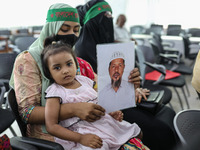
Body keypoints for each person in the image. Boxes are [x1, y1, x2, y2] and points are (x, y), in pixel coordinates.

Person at [9, 3, 141, 142]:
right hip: (52, 134)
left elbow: (99, 89)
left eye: (76, 29)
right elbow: (27, 113)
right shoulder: (28, 60)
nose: (71, 34)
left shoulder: (73, 61)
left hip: (88, 126)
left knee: (136, 135)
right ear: (50, 28)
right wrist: (73, 109)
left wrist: (126, 84)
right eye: (65, 29)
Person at [75, 1, 178, 150]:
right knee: (161, 131)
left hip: (123, 100)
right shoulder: (80, 53)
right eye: (105, 15)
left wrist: (135, 85)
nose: (108, 18)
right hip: (107, 110)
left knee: (168, 113)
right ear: (92, 21)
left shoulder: (110, 45)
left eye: (110, 14)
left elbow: (120, 80)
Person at [41, 36, 149, 150]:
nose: (65, 70)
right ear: (49, 73)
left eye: (69, 64)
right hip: (82, 132)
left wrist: (111, 112)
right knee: (100, 146)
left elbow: (99, 101)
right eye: (57, 68)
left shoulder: (85, 80)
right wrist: (81, 138)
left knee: (136, 132)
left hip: (103, 122)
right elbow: (51, 126)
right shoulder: (54, 92)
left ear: (76, 64)